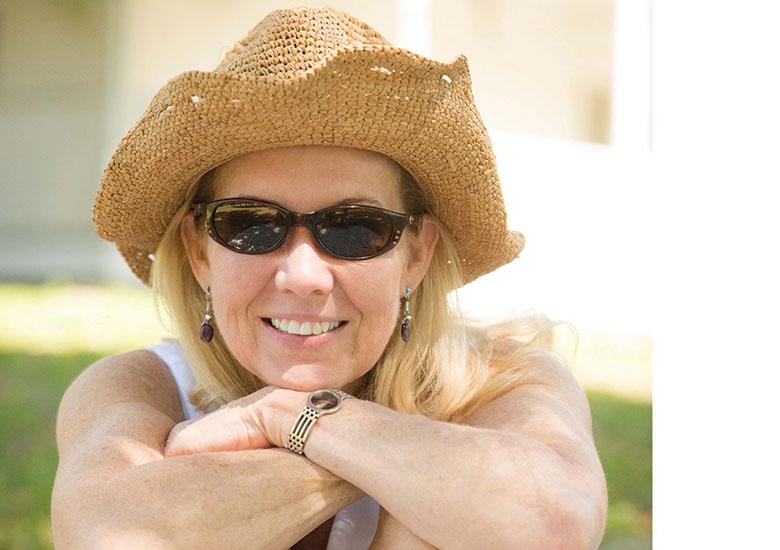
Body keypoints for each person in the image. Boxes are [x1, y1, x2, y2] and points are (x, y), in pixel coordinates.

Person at [52, 7, 607, 549]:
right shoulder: (142, 386)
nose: (303, 276)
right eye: (251, 225)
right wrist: (416, 469)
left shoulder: (502, 380)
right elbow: (105, 533)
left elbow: (557, 521)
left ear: (417, 255)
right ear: (199, 251)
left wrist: (287, 416)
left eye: (355, 227)